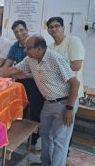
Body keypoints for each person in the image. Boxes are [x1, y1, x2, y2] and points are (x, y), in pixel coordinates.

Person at [0, 35, 80, 166]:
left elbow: (75, 83)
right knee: (45, 135)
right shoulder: (31, 59)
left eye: (28, 48)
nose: (25, 50)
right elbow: (12, 69)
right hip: (49, 102)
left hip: (65, 103)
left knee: (60, 141)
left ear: (39, 49)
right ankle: (46, 162)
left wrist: (69, 108)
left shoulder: (56, 58)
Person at [0, 20, 44, 153]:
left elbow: (38, 71)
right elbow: (7, 67)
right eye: (16, 32)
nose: (19, 33)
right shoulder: (15, 47)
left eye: (21, 30)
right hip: (20, 83)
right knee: (19, 109)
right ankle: (19, 139)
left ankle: (33, 142)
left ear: (27, 30)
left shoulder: (35, 45)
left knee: (35, 112)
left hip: (37, 83)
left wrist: (21, 74)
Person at [47, 16, 85, 158]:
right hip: (55, 95)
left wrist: (54, 67)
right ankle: (52, 160)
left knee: (62, 139)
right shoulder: (50, 47)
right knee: (52, 135)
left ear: (64, 28)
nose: (54, 29)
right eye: (51, 27)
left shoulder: (73, 41)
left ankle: (60, 159)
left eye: (57, 26)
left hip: (70, 95)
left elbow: (76, 65)